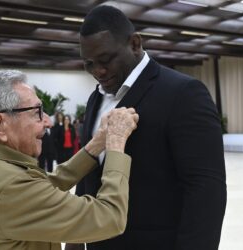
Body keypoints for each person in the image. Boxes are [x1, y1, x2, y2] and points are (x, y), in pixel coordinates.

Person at [67, 5, 227, 250]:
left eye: (106, 59)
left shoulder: (183, 94)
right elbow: (89, 179)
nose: (98, 71)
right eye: (88, 63)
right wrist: (76, 243)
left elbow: (206, 192)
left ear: (135, 43)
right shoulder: (94, 99)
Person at [0, 70, 139, 250]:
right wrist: (116, 143)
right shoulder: (10, 187)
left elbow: (42, 187)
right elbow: (108, 218)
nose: (47, 122)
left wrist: (95, 145)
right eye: (37, 112)